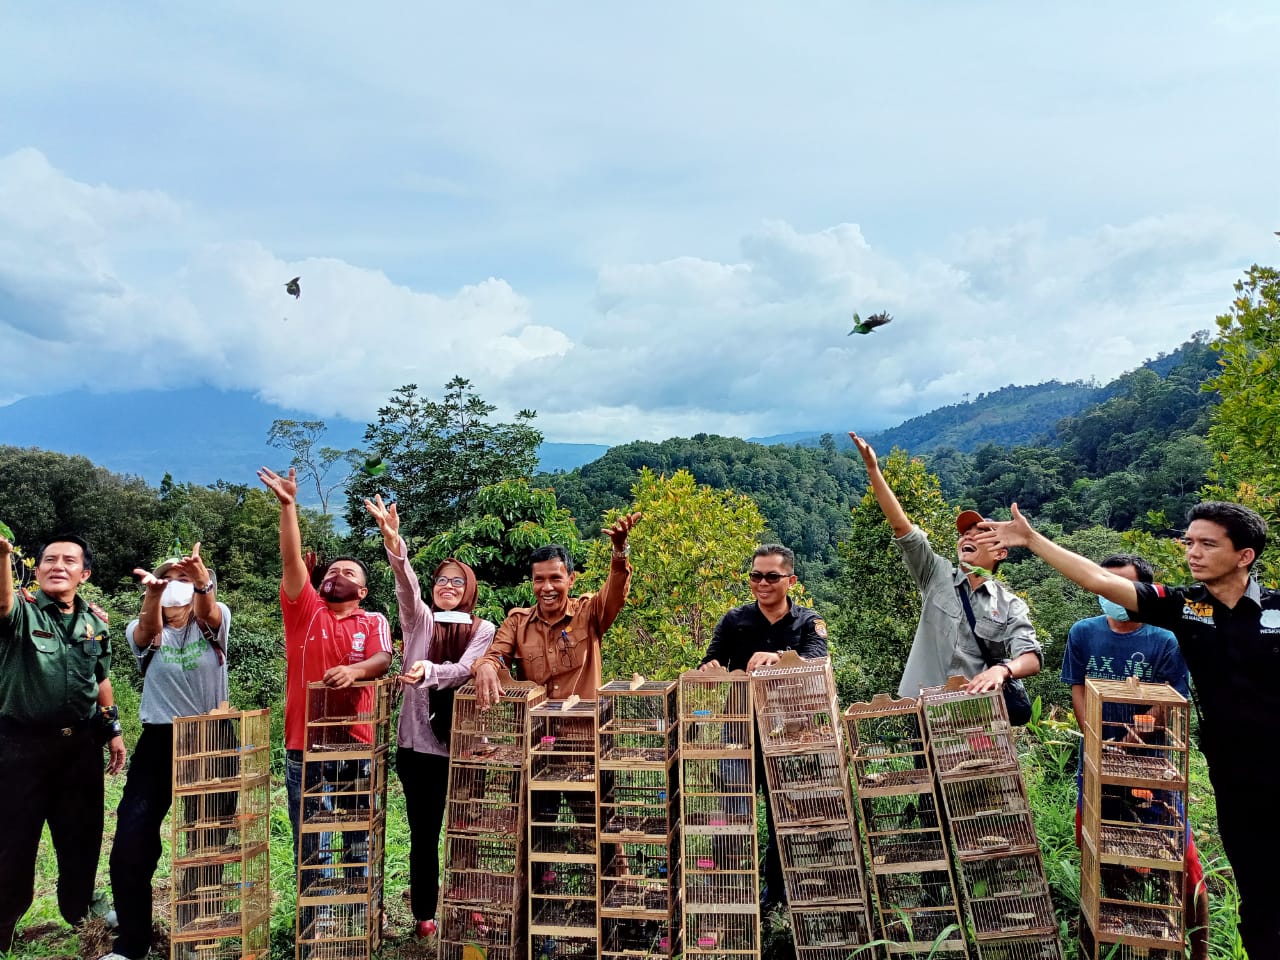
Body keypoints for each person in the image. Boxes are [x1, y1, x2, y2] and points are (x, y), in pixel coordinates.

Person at [976, 500, 1278, 954]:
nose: (1192, 552)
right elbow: (1099, 580)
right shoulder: (1184, 607)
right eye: (1189, 541)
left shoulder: (1277, 609)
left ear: (1244, 555)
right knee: (1259, 895)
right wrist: (1032, 540)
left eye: (1207, 543)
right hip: (1236, 778)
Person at [1060, 554, 1208, 960]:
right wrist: (1096, 736)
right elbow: (1077, 687)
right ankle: (1121, 929)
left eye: (1122, 585)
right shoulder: (1083, 633)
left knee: (1177, 858)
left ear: (1141, 592)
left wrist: (1127, 741)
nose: (1112, 592)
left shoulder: (1164, 639)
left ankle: (1198, 947)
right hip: (1094, 760)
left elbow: (1168, 702)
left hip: (1150, 765)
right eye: (1105, 582)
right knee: (1102, 846)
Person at [364, 496, 495, 940]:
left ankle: (468, 904)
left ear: (470, 588)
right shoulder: (420, 621)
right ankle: (424, 914)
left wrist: (430, 671)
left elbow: (465, 670)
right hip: (417, 748)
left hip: (461, 747)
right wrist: (392, 539)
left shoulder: (482, 630)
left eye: (457, 581)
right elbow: (406, 586)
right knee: (423, 833)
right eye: (442, 580)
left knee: (465, 831)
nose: (447, 586)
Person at [101, 544, 231, 960]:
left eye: (184, 581)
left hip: (213, 737)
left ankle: (196, 933)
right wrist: (153, 594)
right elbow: (145, 632)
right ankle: (133, 942)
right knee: (132, 837)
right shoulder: (143, 631)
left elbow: (210, 610)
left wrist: (203, 581)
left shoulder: (214, 621)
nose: (178, 587)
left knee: (207, 840)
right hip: (159, 740)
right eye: (170, 579)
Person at [258, 466, 393, 865]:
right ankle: (313, 920)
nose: (337, 575)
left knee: (356, 838)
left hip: (354, 741)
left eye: (348, 573)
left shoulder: (373, 621)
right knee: (309, 841)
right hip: (304, 744)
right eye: (332, 571)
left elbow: (383, 659)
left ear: (363, 590)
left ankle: (355, 915)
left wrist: (355, 671)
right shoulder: (305, 611)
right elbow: (291, 559)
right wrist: (288, 506)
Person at [0, 533, 127, 952]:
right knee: (13, 840)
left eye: (69, 560)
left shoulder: (96, 622)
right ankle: (4, 923)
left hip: (79, 748)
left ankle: (79, 912)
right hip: (20, 748)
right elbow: (2, 604)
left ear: (84, 573)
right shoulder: (22, 610)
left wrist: (114, 730)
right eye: (49, 559)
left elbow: (101, 678)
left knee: (82, 835)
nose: (58, 565)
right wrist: (2, 557)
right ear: (35, 571)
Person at [850, 432, 1043, 697]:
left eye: (981, 532)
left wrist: (1003, 670)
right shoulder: (936, 574)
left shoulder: (1009, 605)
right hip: (919, 709)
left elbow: (1031, 658)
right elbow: (902, 527)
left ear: (1001, 553)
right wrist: (873, 468)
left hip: (972, 714)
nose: (968, 535)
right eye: (965, 532)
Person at [698, 543, 829, 913]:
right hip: (739, 729)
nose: (762, 583)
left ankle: (777, 897)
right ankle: (726, 889)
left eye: (772, 576)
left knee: (781, 816)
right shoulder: (734, 620)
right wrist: (709, 669)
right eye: (756, 575)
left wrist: (782, 658)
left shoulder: (807, 622)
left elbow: (818, 662)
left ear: (791, 580)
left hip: (788, 734)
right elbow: (712, 659)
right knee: (732, 812)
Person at [472, 513, 640, 708]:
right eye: (539, 580)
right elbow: (499, 655)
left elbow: (616, 593)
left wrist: (620, 551)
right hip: (535, 734)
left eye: (555, 578)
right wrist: (486, 665)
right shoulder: (517, 623)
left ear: (571, 579)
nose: (547, 588)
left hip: (583, 732)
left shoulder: (589, 612)